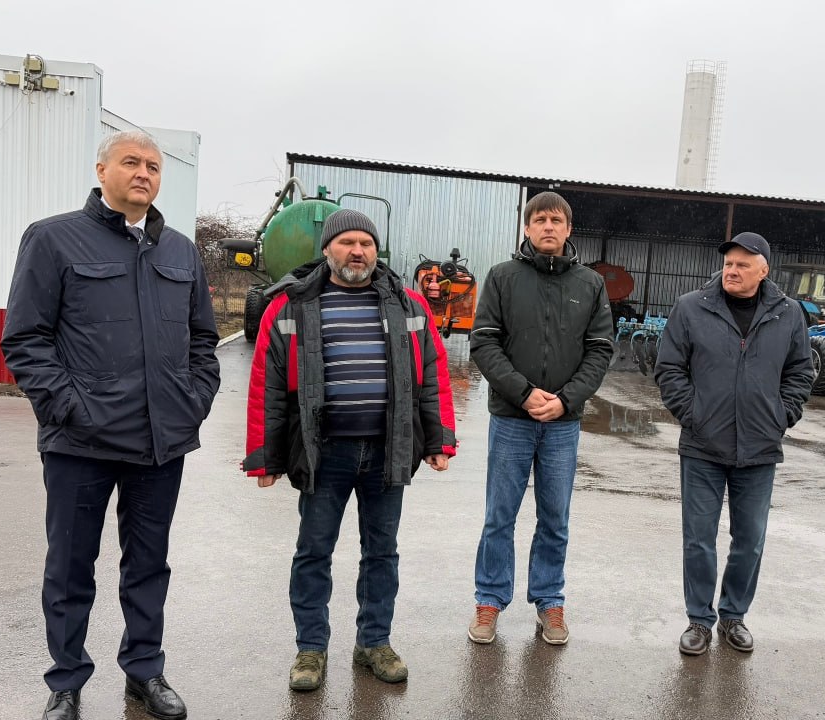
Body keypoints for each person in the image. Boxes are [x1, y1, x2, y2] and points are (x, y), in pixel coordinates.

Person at [2, 130, 220, 720]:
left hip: (161, 442)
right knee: (70, 567)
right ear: (102, 170)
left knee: (148, 564)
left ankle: (144, 671)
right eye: (131, 162)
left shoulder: (180, 251)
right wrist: (70, 409)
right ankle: (66, 681)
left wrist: (193, 401)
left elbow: (204, 341)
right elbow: (25, 340)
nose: (144, 172)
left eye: (153, 165)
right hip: (80, 443)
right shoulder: (53, 239)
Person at [242, 208, 457, 691]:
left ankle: (374, 642)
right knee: (313, 551)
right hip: (323, 453)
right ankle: (310, 649)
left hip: (388, 451)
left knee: (381, 552)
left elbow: (432, 374)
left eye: (366, 243)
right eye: (347, 242)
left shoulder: (408, 304)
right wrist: (265, 456)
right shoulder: (292, 305)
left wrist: (439, 438)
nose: (357, 251)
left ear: (376, 251)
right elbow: (267, 384)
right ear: (327, 249)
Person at [653, 231, 814, 656]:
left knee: (750, 541)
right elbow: (669, 368)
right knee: (698, 539)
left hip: (759, 448)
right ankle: (698, 621)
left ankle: (734, 616)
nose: (733, 270)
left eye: (743, 264)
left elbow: (801, 371)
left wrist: (782, 415)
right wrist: (693, 415)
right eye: (728, 263)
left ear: (764, 271)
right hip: (703, 446)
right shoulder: (692, 307)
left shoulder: (788, 314)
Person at [467, 191, 614, 646]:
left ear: (569, 229)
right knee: (499, 516)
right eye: (540, 219)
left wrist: (566, 400)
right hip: (512, 418)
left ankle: (550, 601)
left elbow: (600, 349)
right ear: (527, 228)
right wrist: (525, 393)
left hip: (562, 424)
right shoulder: (503, 277)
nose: (548, 226)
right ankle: (490, 600)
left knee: (555, 518)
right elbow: (484, 342)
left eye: (556, 220)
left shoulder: (590, 284)